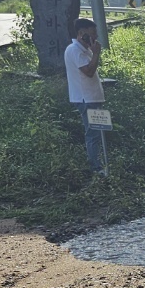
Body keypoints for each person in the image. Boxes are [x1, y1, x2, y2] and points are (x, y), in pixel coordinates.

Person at [64, 18, 106, 173]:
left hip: (92, 97)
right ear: (82, 33)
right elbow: (88, 72)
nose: (96, 36)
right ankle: (96, 168)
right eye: (93, 33)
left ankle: (99, 163)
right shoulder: (74, 50)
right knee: (93, 134)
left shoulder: (85, 49)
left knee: (97, 133)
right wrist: (96, 54)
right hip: (86, 99)